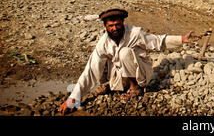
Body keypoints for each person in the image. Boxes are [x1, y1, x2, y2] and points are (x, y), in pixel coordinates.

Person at [59, 8, 196, 115]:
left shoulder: (135, 33)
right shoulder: (103, 43)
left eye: (117, 24)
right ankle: (113, 85)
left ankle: (135, 88)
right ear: (105, 27)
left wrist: (181, 39)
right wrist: (74, 98)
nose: (115, 28)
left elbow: (157, 41)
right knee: (98, 64)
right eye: (111, 26)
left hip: (140, 73)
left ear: (122, 23)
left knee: (124, 52)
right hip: (120, 74)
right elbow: (90, 71)